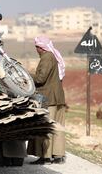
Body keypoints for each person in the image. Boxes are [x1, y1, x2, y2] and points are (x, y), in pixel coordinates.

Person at [28, 36, 66, 165]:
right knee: (58, 127)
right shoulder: (52, 56)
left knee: (46, 127)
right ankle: (58, 155)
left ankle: (46, 156)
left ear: (40, 48)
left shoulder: (46, 57)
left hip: (49, 98)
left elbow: (40, 79)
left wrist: (27, 75)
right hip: (58, 97)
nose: (36, 50)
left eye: (36, 47)